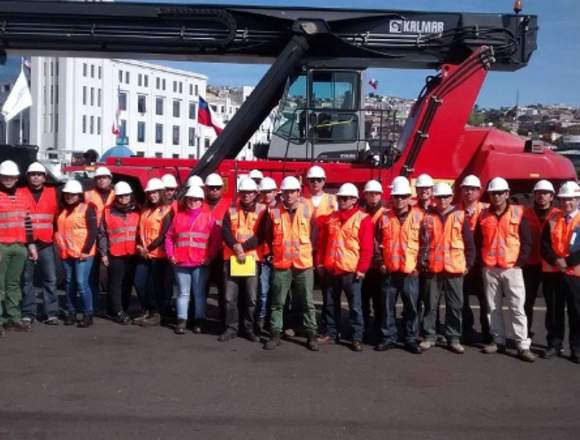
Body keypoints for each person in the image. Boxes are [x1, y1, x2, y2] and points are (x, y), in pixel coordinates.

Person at [476, 177, 535, 362]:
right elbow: (479, 240)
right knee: (493, 307)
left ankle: (522, 345)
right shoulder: (484, 215)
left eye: (500, 193)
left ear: (507, 194)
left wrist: (519, 262)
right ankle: (497, 340)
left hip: (511, 268)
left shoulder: (518, 213)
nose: (496, 196)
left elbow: (526, 241)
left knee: (517, 307)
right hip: (491, 268)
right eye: (493, 193)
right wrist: (484, 262)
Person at [261, 176, 319, 351]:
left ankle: (311, 335)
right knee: (278, 301)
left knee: (307, 302)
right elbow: (268, 235)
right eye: (286, 191)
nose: (289, 195)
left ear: (298, 192)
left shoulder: (308, 210)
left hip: (303, 263)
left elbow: (314, 235)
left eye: (292, 191)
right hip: (282, 263)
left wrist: (310, 254)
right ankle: (275, 334)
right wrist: (273, 254)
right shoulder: (274, 212)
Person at [418, 183, 475, 354]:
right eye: (439, 197)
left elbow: (469, 244)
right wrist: (423, 263)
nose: (442, 200)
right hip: (433, 268)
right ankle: (429, 336)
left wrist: (469, 264)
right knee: (430, 304)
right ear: (434, 199)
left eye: (445, 197)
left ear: (451, 197)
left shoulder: (459, 215)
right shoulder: (427, 216)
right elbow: (421, 242)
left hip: (454, 269)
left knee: (455, 305)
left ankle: (453, 338)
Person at [317, 183, 372, 352]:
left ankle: (356, 337)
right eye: (340, 198)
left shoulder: (363, 218)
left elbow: (367, 247)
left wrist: (362, 268)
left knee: (355, 306)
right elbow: (322, 243)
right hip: (331, 269)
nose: (343, 201)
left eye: (346, 198)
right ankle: (331, 333)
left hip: (351, 270)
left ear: (354, 200)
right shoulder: (330, 218)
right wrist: (319, 262)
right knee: (330, 304)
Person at [375, 177, 424, 354]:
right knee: (388, 307)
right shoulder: (384, 217)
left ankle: (410, 338)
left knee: (411, 307)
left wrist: (419, 265)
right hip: (390, 270)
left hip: (410, 271)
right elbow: (376, 242)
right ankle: (389, 337)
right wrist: (380, 263)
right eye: (396, 196)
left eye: (403, 196)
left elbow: (426, 243)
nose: (400, 200)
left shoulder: (419, 216)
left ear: (409, 197)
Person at [166, 185, 221, 335]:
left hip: (200, 263)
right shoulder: (179, 216)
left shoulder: (208, 217)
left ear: (201, 201)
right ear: (186, 199)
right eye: (191, 199)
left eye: (196, 199)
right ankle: (181, 321)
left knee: (198, 293)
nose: (193, 202)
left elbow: (215, 240)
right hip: (181, 261)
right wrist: (170, 254)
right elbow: (169, 237)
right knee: (183, 293)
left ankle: (198, 321)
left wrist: (210, 257)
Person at [220, 178, 265, 342]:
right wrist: (235, 246)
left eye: (250, 192)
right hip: (231, 258)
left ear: (255, 193)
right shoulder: (230, 209)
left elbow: (262, 234)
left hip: (251, 259)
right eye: (244, 192)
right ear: (239, 193)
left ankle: (248, 328)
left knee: (251, 298)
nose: (247, 195)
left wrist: (243, 247)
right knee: (229, 297)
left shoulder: (262, 210)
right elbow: (225, 231)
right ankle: (231, 328)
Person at [541, 181, 580, 363]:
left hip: (575, 275)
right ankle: (554, 344)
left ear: (577, 199)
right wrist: (555, 260)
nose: (567, 203)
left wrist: (568, 261)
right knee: (555, 311)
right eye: (563, 200)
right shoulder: (553, 218)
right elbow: (544, 245)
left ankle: (576, 348)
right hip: (554, 272)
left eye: (570, 200)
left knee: (576, 312)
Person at [20, 162, 59, 326]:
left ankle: (51, 313)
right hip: (26, 243)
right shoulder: (20, 193)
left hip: (46, 244)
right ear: (28, 177)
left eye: (39, 174)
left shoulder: (53, 193)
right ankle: (29, 312)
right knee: (26, 280)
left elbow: (58, 217)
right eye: (32, 174)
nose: (36, 177)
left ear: (44, 177)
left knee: (50, 279)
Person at [0, 160, 37, 334]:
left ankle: (13, 318)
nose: (8, 179)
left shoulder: (23, 197)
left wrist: (31, 245)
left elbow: (27, 222)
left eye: (11, 177)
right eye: (4, 176)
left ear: (16, 178)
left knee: (13, 284)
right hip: (2, 246)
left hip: (19, 246)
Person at [55, 180, 98, 328]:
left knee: (81, 282)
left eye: (73, 194)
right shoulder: (62, 210)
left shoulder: (87, 209)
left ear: (79, 195)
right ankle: (71, 312)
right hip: (67, 253)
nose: (70, 197)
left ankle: (88, 313)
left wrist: (85, 251)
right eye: (67, 194)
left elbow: (93, 232)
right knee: (69, 283)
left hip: (83, 254)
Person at [134, 178, 174, 327]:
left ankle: (156, 313)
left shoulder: (167, 210)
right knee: (139, 283)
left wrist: (147, 249)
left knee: (154, 287)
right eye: (150, 193)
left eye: (155, 192)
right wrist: (139, 246)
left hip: (159, 256)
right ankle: (146, 309)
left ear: (161, 193)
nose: (152, 195)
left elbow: (164, 235)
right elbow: (139, 231)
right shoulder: (145, 209)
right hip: (144, 254)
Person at [98, 181, 140, 325]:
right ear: (116, 197)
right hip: (115, 253)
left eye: (126, 196)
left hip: (132, 253)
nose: (123, 199)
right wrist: (103, 253)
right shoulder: (108, 212)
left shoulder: (137, 210)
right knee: (115, 284)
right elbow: (102, 234)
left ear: (130, 196)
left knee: (128, 283)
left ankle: (123, 308)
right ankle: (117, 312)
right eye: (120, 196)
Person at [522, 180, 559, 337]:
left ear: (551, 196)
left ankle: (553, 340)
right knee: (526, 302)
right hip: (531, 263)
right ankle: (525, 335)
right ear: (534, 195)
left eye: (545, 193)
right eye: (539, 193)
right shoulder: (525, 213)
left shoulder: (558, 214)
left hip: (550, 265)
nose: (542, 196)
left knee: (552, 304)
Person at [459, 174, 491, 344]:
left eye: (472, 189)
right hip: (461, 261)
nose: (468, 192)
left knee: (485, 299)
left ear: (479, 191)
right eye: (466, 189)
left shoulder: (487, 210)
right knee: (461, 299)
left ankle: (488, 331)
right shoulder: (455, 210)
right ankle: (467, 329)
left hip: (482, 262)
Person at [85, 166, 115, 314]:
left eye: (105, 177)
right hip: (91, 238)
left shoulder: (117, 195)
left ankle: (111, 305)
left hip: (111, 238)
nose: (102, 180)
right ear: (95, 180)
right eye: (99, 178)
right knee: (92, 274)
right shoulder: (88, 195)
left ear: (110, 179)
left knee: (112, 274)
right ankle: (93, 306)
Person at [203, 172, 231, 324]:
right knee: (202, 288)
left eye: (217, 188)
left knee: (224, 288)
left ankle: (223, 319)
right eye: (211, 188)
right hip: (203, 253)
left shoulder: (229, 204)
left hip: (222, 254)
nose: (214, 191)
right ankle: (200, 317)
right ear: (205, 189)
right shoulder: (199, 204)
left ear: (222, 189)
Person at [361, 180, 385, 343]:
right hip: (364, 264)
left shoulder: (385, 213)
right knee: (363, 299)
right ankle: (364, 330)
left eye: (376, 194)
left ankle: (378, 330)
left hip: (378, 265)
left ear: (380, 195)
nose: (373, 197)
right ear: (366, 195)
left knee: (379, 300)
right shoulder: (361, 212)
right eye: (370, 194)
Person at [256, 176, 278, 332]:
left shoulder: (281, 209)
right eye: (264, 192)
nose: (267, 195)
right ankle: (262, 319)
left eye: (269, 191)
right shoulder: (258, 208)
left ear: (275, 192)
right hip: (262, 256)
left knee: (278, 291)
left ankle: (275, 321)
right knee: (262, 291)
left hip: (278, 257)